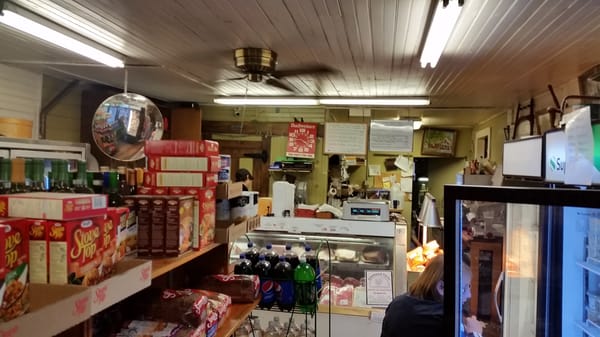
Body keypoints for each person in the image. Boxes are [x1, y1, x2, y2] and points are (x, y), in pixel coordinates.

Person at [380, 254, 485, 337]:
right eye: (463, 289)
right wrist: (475, 333)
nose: (469, 295)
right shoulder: (444, 321)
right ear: (442, 287)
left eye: (469, 287)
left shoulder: (397, 304)